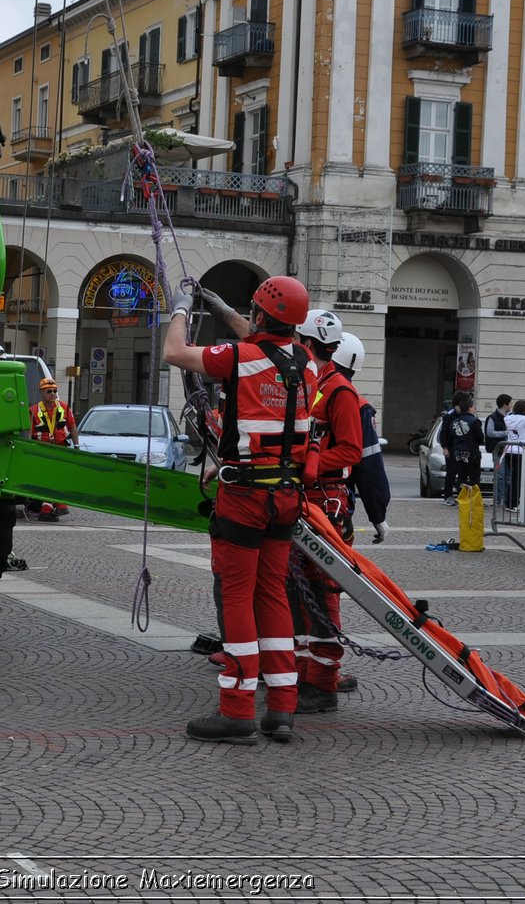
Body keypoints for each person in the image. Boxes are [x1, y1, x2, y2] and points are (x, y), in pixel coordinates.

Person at [167, 276, 316, 744]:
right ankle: (283, 709)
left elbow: (176, 353)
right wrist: (223, 306)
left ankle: (235, 709)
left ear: (260, 316)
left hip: (246, 497)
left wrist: (180, 311)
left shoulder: (240, 357)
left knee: (237, 595)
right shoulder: (306, 363)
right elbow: (264, 334)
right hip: (286, 496)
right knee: (271, 593)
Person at [289, 309, 364, 713]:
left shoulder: (339, 392)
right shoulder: (312, 384)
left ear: (307, 343)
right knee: (299, 591)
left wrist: (310, 462)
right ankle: (303, 674)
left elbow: (351, 450)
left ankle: (323, 683)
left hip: (327, 503)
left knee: (322, 592)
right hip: (307, 499)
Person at [332, 332, 391, 546]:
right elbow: (369, 467)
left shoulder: (302, 390)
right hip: (331, 502)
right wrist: (378, 516)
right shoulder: (358, 406)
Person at [27, 377, 78, 521]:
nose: (53, 393)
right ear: (41, 393)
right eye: (49, 391)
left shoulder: (64, 407)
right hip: (42, 450)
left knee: (58, 478)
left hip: (60, 449)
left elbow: (72, 427)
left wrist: (77, 445)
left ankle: (49, 508)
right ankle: (55, 506)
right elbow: (29, 433)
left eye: (55, 391)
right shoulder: (33, 410)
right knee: (47, 479)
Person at [440, 391, 481, 505]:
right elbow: (443, 433)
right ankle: (448, 496)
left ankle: (462, 495)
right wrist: (445, 447)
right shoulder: (450, 416)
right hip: (452, 447)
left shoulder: (466, 415)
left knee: (463, 472)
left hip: (462, 447)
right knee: (452, 471)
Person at [485, 394, 512, 504]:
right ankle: (497, 500)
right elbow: (489, 432)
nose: (511, 405)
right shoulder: (492, 417)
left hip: (509, 451)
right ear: (505, 405)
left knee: (508, 476)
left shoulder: (510, 417)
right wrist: (505, 433)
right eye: (510, 403)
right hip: (499, 451)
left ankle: (506, 499)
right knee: (500, 476)